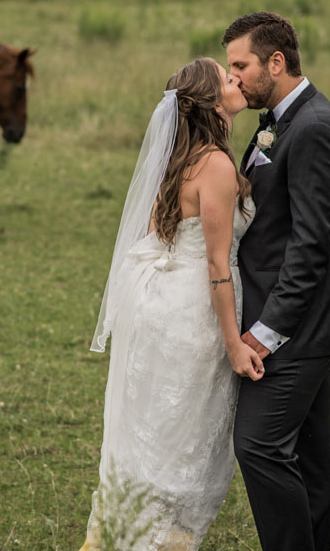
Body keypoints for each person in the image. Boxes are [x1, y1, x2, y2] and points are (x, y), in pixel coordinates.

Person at [80, 58, 264, 551]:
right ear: (211, 102)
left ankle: (118, 534)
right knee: (184, 440)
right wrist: (233, 344)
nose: (236, 79)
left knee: (153, 430)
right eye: (226, 77)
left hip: (159, 304)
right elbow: (217, 265)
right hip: (193, 311)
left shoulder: (178, 158)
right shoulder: (217, 165)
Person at [223, 12, 330, 551]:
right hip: (295, 323)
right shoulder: (280, 119)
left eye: (241, 66)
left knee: (257, 445)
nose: (233, 77)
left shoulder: (315, 128)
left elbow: (311, 245)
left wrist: (266, 331)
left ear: (276, 62)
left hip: (295, 328)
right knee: (311, 462)